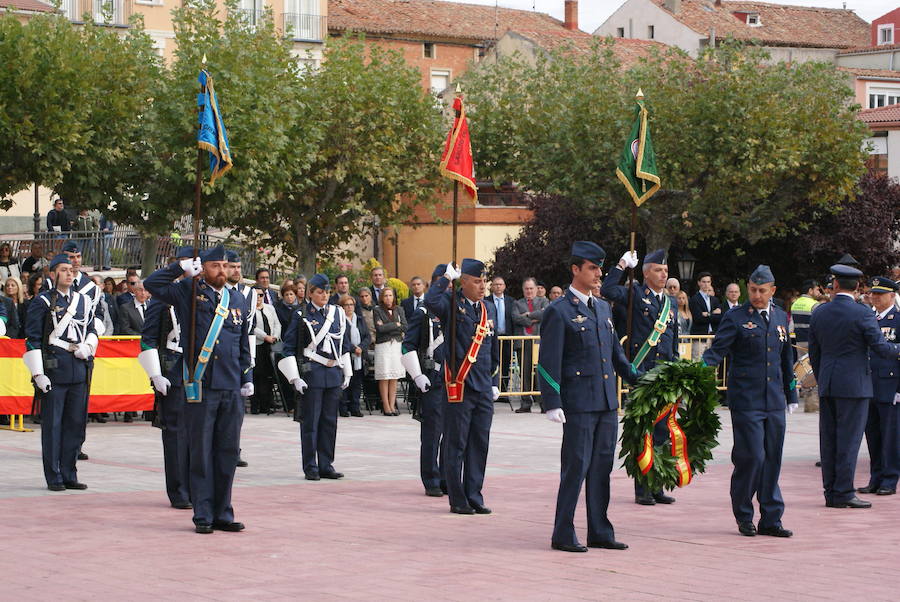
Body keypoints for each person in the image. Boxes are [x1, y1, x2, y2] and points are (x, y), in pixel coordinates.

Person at [144, 245, 253, 533]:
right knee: (201, 452)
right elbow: (151, 285)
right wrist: (181, 269)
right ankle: (203, 514)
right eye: (214, 265)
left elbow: (243, 343)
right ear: (203, 267)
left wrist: (247, 377)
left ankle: (223, 513)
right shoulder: (188, 292)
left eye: (224, 265)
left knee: (227, 452)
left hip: (230, 387)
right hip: (201, 386)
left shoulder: (238, 299)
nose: (221, 271)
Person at [539, 241, 638, 553]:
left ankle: (599, 530)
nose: (599, 274)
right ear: (575, 270)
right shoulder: (559, 310)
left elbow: (616, 356)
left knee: (601, 469)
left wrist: (642, 380)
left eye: (600, 268)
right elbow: (548, 361)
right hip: (579, 403)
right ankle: (563, 532)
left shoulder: (603, 308)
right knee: (575, 468)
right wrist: (552, 402)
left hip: (607, 402)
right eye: (593, 268)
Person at [702, 265, 798, 538]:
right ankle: (744, 514)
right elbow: (716, 352)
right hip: (747, 399)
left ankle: (771, 517)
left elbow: (785, 359)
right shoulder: (735, 317)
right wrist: (695, 374)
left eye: (762, 291)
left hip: (774, 399)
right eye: (753, 290)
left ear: (773, 291)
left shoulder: (780, 316)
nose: (757, 295)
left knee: (773, 459)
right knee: (752, 457)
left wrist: (791, 394)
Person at [809, 264, 900, 510]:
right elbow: (881, 347)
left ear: (835, 285)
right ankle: (844, 492)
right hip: (855, 386)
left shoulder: (820, 311)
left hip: (828, 384)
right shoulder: (862, 313)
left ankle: (831, 491)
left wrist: (823, 378)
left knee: (829, 441)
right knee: (848, 442)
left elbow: (814, 353)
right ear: (858, 287)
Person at [602, 248, 679, 505]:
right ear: (646, 273)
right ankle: (642, 488)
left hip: (665, 374)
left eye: (665, 270)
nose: (663, 274)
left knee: (662, 432)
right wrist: (622, 264)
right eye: (658, 270)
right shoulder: (636, 294)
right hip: (643, 372)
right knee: (644, 431)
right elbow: (608, 290)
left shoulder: (671, 302)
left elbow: (673, 340)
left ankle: (657, 485)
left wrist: (676, 370)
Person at [425, 258, 499, 515]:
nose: (482, 286)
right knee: (456, 444)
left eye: (484, 281)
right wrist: (446, 279)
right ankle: (457, 498)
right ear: (463, 282)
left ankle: (474, 494)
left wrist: (495, 381)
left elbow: (494, 348)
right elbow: (430, 302)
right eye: (477, 281)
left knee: (480, 443)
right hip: (460, 384)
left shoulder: (488, 309)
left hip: (483, 387)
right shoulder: (451, 304)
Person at [22, 253, 97, 491]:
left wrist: (88, 346)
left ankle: (69, 473)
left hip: (79, 368)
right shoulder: (43, 301)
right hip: (55, 369)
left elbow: (93, 327)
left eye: (71, 269)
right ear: (53, 274)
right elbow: (33, 338)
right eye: (63, 269)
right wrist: (38, 373)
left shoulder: (83, 300)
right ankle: (53, 476)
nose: (69, 273)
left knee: (76, 425)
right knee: (53, 426)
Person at [277, 274, 352, 481]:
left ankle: (326, 464)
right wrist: (295, 378)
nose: (325, 295)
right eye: (320, 292)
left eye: (327, 292)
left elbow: (343, 346)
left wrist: (347, 372)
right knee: (310, 422)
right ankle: (310, 465)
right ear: (311, 293)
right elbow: (289, 348)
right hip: (313, 373)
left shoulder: (337, 313)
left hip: (333, 372)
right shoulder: (301, 314)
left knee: (329, 422)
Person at [137, 245, 193, 510]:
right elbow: (148, 339)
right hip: (172, 371)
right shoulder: (161, 300)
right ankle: (179, 490)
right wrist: (156, 374)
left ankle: (197, 487)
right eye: (184, 263)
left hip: (199, 371)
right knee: (176, 434)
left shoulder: (202, 295)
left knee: (198, 434)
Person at [401, 264, 448, 497]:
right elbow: (407, 345)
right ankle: (431, 478)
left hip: (455, 380)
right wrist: (418, 375)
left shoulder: (456, 312)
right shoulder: (422, 314)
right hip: (433, 378)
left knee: (452, 433)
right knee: (432, 433)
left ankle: (448, 478)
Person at [858, 277, 900, 497]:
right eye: (873, 294)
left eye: (880, 294)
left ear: (892, 295)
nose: (875, 297)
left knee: (890, 437)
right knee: (873, 435)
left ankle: (890, 479)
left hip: (890, 386)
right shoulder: (868, 318)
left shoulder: (898, 319)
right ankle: (875, 478)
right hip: (869, 385)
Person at [512, 277, 549, 413]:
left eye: (531, 288)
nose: (529, 291)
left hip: (539, 342)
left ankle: (543, 403)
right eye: (526, 289)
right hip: (523, 342)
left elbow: (545, 313)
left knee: (541, 373)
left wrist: (528, 314)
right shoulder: (517, 303)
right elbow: (515, 317)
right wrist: (532, 320)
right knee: (525, 373)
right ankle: (526, 403)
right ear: (523, 290)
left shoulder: (543, 301)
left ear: (536, 289)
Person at [373, 287, 407, 416]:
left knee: (394, 376)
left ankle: (392, 406)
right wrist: (396, 325)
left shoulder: (399, 309)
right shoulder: (377, 310)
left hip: (396, 346)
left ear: (394, 297)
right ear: (382, 297)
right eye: (385, 295)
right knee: (384, 376)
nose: (388, 298)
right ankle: (386, 406)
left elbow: (405, 326)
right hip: (383, 346)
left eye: (390, 295)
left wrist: (393, 326)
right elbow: (380, 329)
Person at [338, 294, 369, 418]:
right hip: (346, 355)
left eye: (351, 304)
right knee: (345, 382)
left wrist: (361, 347)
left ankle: (355, 407)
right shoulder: (340, 320)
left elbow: (367, 336)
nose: (349, 307)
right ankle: (343, 408)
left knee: (357, 383)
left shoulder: (360, 319)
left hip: (359, 356)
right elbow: (341, 337)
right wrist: (353, 348)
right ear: (342, 307)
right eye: (346, 305)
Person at [485, 276, 515, 400]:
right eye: (496, 284)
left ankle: (503, 392)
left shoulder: (511, 301)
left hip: (506, 337)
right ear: (492, 287)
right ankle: (491, 388)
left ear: (504, 286)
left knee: (505, 364)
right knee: (492, 363)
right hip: (492, 338)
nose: (498, 287)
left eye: (500, 284)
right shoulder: (486, 301)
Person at [252, 287, 280, 415]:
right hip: (257, 344)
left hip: (271, 344)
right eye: (256, 295)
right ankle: (256, 405)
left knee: (268, 375)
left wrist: (274, 336)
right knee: (257, 375)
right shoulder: (250, 309)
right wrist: (265, 336)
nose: (259, 298)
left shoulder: (270, 308)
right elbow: (252, 327)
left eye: (261, 295)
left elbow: (277, 323)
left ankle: (267, 404)